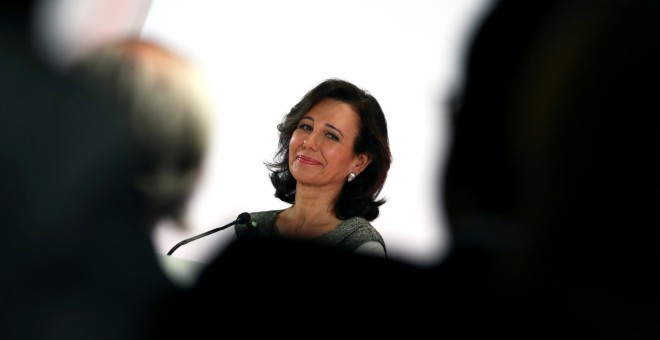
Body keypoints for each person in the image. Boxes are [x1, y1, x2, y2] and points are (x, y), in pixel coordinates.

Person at [233, 78, 392, 258]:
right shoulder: (250, 226)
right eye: (306, 127)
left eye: (331, 136)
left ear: (360, 162)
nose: (309, 142)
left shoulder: (360, 245)